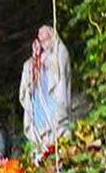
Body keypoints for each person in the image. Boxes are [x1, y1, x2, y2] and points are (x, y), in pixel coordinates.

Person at [18, 25, 71, 157]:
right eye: (42, 41)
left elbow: (59, 70)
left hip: (53, 98)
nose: (45, 44)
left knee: (58, 123)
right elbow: (30, 76)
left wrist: (46, 60)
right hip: (40, 100)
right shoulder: (37, 57)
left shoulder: (60, 51)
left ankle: (58, 138)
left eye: (47, 39)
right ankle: (43, 141)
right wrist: (36, 61)